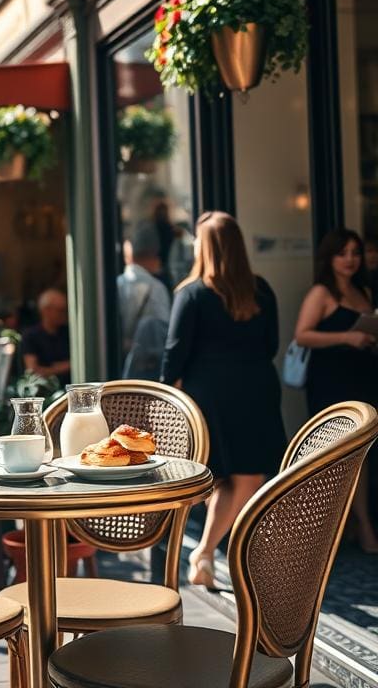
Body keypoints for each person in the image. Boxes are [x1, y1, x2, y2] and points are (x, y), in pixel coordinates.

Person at [160, 211, 286, 587]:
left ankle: (205, 552)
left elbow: (174, 352)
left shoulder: (192, 293)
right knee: (247, 478)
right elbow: (271, 345)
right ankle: (212, 553)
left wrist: (169, 394)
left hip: (209, 395)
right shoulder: (260, 290)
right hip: (256, 391)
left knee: (217, 478)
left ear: (206, 247)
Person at [295, 228, 378, 553]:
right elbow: (302, 335)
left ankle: (358, 525)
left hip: (363, 379)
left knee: (363, 455)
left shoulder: (364, 291)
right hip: (331, 384)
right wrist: (347, 337)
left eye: (355, 253)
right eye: (342, 253)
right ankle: (351, 530)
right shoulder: (321, 293)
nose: (350, 259)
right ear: (329, 257)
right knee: (335, 456)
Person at [117, 223, 171, 379]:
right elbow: (164, 334)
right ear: (152, 254)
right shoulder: (157, 288)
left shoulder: (117, 285)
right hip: (148, 369)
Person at [22, 288, 72, 385]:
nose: (64, 315)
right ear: (46, 311)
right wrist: (63, 367)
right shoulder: (31, 336)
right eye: (60, 311)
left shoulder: (68, 333)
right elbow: (32, 372)